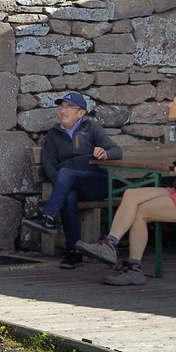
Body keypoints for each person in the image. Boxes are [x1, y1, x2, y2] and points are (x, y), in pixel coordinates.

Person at [78, 87, 176, 285]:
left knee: (141, 212)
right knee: (131, 194)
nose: (169, 105)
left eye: (174, 103)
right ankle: (109, 244)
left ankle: (134, 269)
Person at [23, 92, 122, 269]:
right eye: (62, 106)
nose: (63, 110)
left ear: (81, 113)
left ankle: (49, 217)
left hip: (95, 183)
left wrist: (105, 153)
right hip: (71, 186)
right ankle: (73, 252)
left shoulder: (91, 128)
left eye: (69, 107)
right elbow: (48, 164)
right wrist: (63, 184)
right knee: (68, 196)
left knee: (66, 174)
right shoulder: (53, 135)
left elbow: (116, 151)